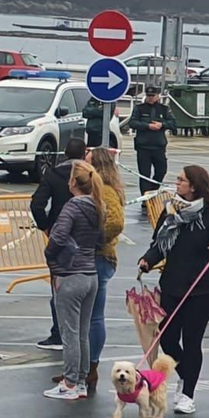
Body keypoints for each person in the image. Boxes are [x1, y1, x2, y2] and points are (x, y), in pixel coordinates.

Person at [139, 165, 209, 415]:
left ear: (193, 186)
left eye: (181, 180)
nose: (176, 183)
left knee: (192, 342)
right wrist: (147, 260)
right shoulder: (170, 211)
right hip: (172, 285)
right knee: (168, 339)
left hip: (201, 290)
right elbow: (159, 243)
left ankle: (188, 394)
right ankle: (185, 374)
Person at [43, 162, 103, 400]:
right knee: (82, 332)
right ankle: (80, 381)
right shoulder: (98, 206)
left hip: (70, 275)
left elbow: (57, 237)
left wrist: (50, 257)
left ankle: (69, 382)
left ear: (73, 184)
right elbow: (101, 238)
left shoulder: (72, 207)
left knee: (69, 334)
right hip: (90, 274)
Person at [30, 138, 88, 351]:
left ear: (65, 153)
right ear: (84, 154)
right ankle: (83, 333)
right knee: (86, 286)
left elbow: (37, 203)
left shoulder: (53, 174)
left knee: (59, 287)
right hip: (85, 236)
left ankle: (58, 333)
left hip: (59, 235)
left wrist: (45, 225)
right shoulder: (90, 175)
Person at [86, 148, 125, 391]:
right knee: (89, 316)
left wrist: (96, 240)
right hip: (98, 257)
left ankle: (91, 366)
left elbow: (116, 222)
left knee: (94, 316)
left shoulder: (106, 191)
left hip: (100, 258)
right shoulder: (97, 189)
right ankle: (85, 366)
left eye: (88, 162)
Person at [129, 85, 174, 195]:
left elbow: (173, 123)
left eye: (152, 96)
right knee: (144, 174)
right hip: (143, 146)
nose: (150, 98)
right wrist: (147, 126)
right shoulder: (139, 108)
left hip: (158, 146)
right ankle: (145, 198)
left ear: (157, 96)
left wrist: (162, 124)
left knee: (161, 171)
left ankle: (153, 191)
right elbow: (133, 123)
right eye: (148, 96)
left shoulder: (164, 109)